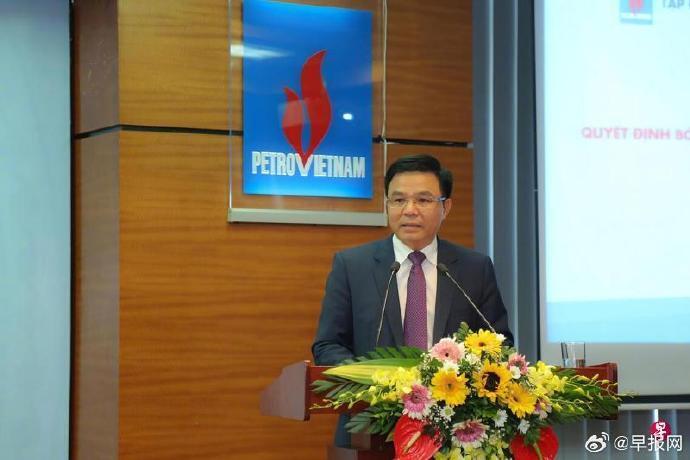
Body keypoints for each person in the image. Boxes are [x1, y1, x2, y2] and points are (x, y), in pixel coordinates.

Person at [311, 154, 513, 446]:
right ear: (387, 205)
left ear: (445, 207)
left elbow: (499, 344)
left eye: (423, 200)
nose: (409, 210)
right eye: (398, 200)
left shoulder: (474, 268)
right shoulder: (352, 266)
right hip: (370, 429)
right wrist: (375, 381)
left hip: (456, 431)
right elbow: (327, 345)